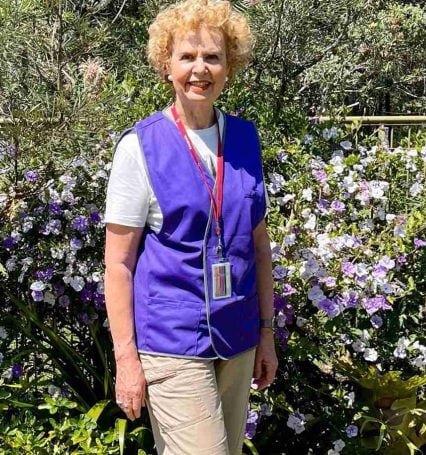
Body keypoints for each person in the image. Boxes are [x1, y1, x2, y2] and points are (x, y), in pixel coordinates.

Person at [103, 1, 277, 453]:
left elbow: (258, 246)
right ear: (167, 65)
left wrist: (266, 334)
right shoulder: (139, 146)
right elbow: (118, 264)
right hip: (173, 341)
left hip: (237, 339)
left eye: (213, 57)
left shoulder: (244, 139)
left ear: (229, 66)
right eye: (187, 57)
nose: (200, 68)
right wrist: (126, 359)